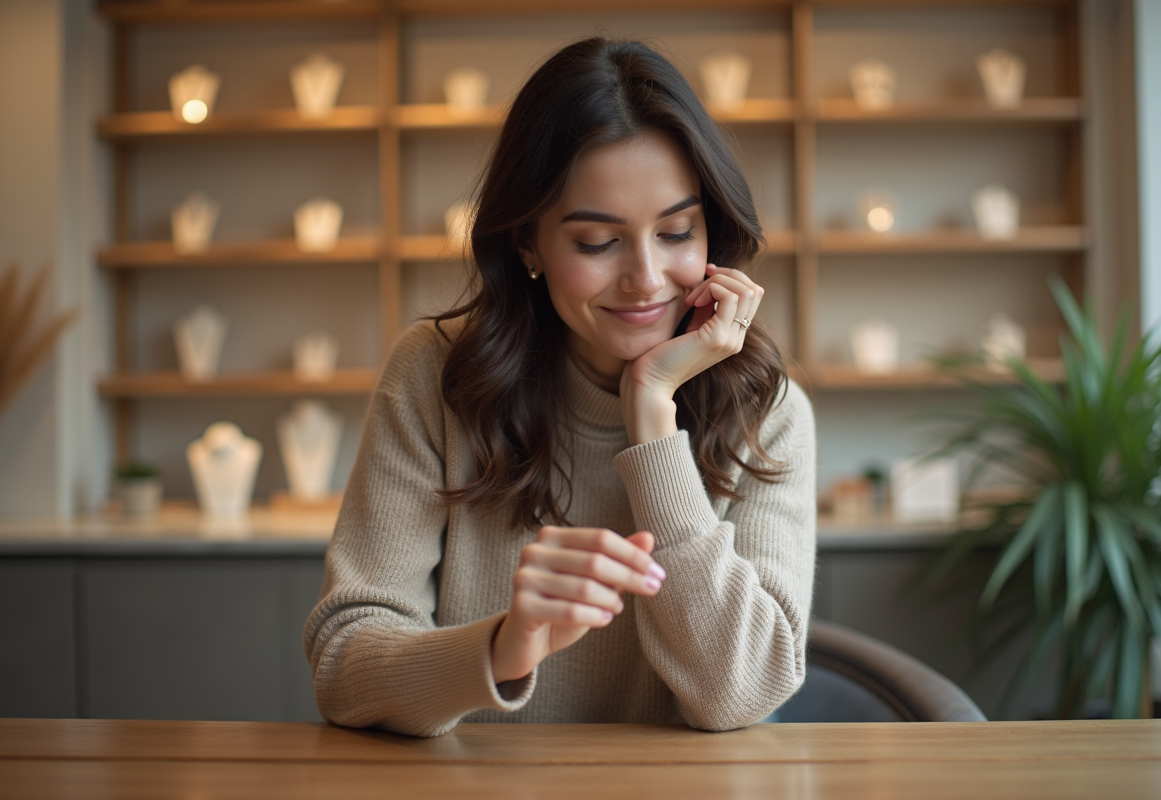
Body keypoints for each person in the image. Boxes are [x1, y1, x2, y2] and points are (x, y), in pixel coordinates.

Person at [304, 37, 816, 737]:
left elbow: (743, 691)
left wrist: (652, 417)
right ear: (527, 245)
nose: (644, 278)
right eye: (597, 243)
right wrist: (506, 646)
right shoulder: (434, 377)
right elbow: (342, 664)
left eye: (675, 232)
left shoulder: (768, 409)